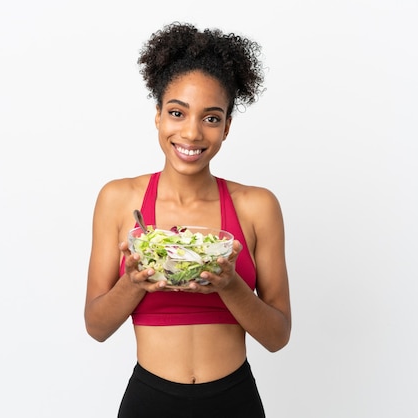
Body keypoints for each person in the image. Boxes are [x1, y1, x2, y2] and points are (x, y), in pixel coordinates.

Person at [84, 22, 291, 417]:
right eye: (177, 112)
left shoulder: (257, 206)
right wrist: (133, 281)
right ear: (159, 116)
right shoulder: (118, 199)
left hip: (234, 400)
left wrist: (229, 286)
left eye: (211, 118)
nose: (192, 132)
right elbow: (96, 326)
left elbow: (278, 336)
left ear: (227, 126)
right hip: (150, 400)